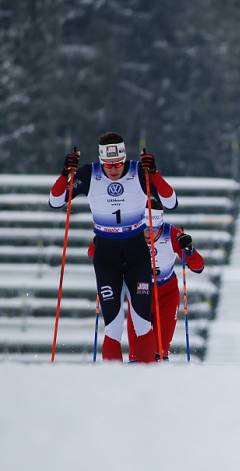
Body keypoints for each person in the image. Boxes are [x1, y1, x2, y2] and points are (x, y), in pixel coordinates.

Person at [49, 132, 177, 363]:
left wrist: (154, 174)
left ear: (124, 158)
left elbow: (171, 201)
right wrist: (64, 175)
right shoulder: (90, 174)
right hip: (106, 255)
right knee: (113, 327)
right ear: (101, 160)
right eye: (108, 165)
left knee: (142, 323)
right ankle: (112, 382)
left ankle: (150, 378)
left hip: (137, 251)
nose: (114, 170)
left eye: (118, 163)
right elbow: (56, 201)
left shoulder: (138, 171)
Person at [89, 199, 204, 361]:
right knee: (137, 354)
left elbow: (198, 267)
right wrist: (100, 242)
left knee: (160, 351)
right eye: (145, 229)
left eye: (153, 229)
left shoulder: (171, 234)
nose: (148, 234)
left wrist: (189, 250)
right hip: (139, 293)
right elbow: (93, 253)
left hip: (166, 294)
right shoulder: (129, 232)